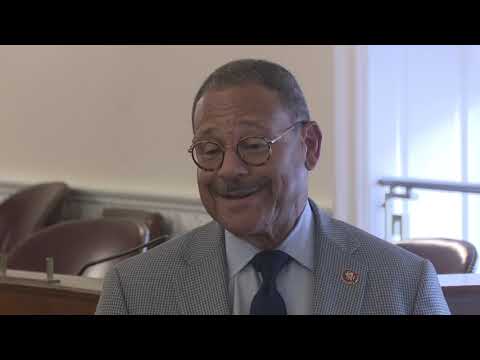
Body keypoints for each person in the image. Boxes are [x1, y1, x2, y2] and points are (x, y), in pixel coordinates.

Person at [96, 59, 450, 315]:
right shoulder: (136, 289)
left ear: (309, 146)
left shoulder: (403, 284)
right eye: (209, 149)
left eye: (253, 145)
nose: (229, 170)